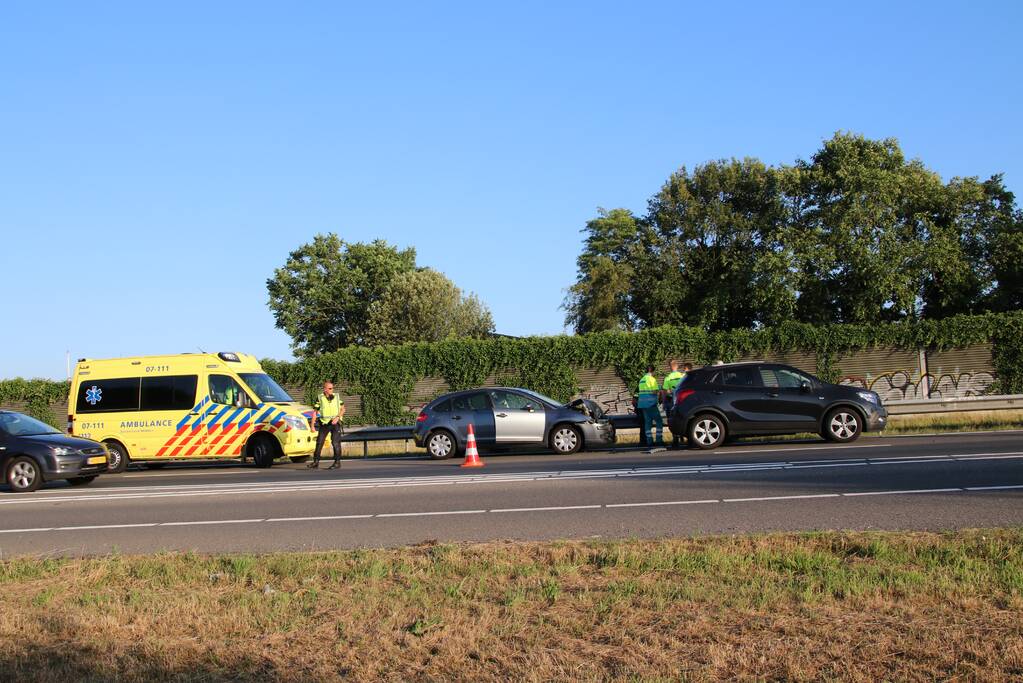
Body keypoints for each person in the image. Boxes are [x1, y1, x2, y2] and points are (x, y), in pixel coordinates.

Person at [309, 380, 345, 469]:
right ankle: (315, 462)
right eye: (329, 388)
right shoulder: (320, 398)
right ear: (324, 389)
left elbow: (343, 409)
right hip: (324, 423)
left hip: (335, 423)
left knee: (335, 443)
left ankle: (337, 463)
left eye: (332, 388)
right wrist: (312, 425)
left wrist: (337, 417)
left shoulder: (337, 397)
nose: (331, 390)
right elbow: (314, 412)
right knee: (319, 442)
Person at [637, 365, 664, 449]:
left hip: (642, 404)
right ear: (653, 371)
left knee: (648, 422)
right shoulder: (652, 379)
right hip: (651, 404)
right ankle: (659, 440)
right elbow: (654, 392)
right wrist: (659, 388)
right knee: (659, 421)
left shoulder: (641, 380)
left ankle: (649, 441)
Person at [662, 360, 686, 449]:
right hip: (682, 401)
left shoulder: (668, 378)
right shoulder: (683, 376)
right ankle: (686, 438)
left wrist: (664, 403)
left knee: (672, 420)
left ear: (670, 367)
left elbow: (665, 391)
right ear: (677, 366)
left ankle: (675, 440)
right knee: (683, 418)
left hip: (671, 401)